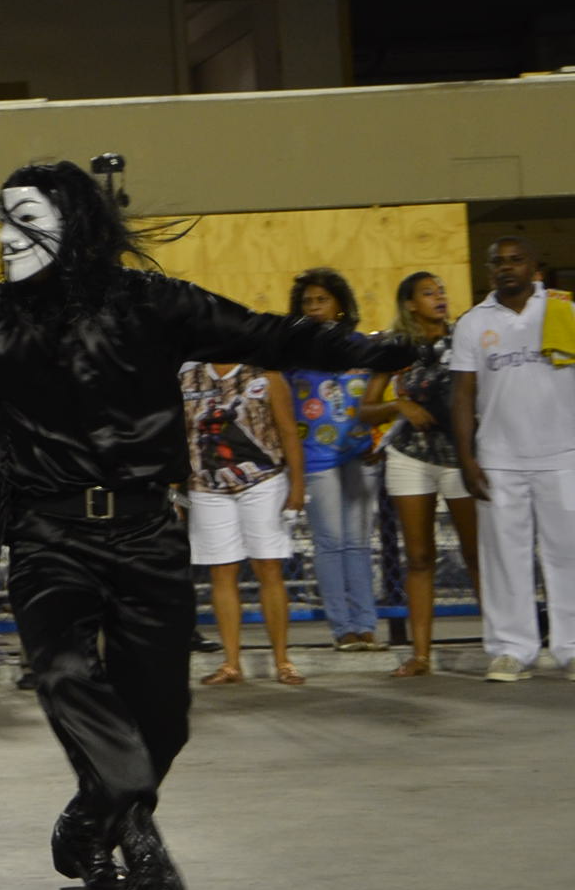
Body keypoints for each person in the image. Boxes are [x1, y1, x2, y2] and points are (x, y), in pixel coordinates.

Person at [0, 161, 405, 890]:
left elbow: (268, 334)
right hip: (50, 536)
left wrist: (376, 351)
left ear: (74, 224)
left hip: (146, 532)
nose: (6, 237)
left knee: (162, 723)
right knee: (70, 678)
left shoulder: (155, 304)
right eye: (2, 220)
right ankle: (149, 864)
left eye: (27, 219)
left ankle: (87, 818)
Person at [450, 236, 575, 683]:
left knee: (569, 555)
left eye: (516, 260)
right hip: (499, 459)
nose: (506, 268)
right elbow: (462, 394)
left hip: (564, 454)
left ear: (534, 266)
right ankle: (510, 650)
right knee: (504, 557)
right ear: (489, 272)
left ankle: (571, 649)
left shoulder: (565, 310)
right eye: (497, 262)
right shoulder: (472, 323)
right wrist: (467, 457)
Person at [362, 271, 480, 676]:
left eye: (441, 291)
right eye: (429, 293)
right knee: (419, 557)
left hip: (460, 457)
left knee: (475, 554)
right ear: (411, 304)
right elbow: (365, 409)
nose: (439, 298)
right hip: (410, 456)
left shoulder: (464, 336)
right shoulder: (396, 348)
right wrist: (398, 406)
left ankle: (502, 645)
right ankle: (421, 655)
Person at [180, 360, 306, 687]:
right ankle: (231, 663)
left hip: (263, 480)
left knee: (268, 567)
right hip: (206, 487)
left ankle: (283, 661)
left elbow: (288, 430)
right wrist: (174, 496)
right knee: (221, 570)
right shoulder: (185, 377)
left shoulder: (265, 374)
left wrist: (298, 487)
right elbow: (176, 437)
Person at [287, 269, 380, 650]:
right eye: (307, 302)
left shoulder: (364, 348)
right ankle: (342, 629)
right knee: (330, 542)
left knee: (359, 543)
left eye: (321, 300)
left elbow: (382, 396)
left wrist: (378, 437)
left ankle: (367, 626)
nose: (314, 308)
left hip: (360, 455)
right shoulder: (292, 352)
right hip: (316, 458)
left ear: (340, 305)